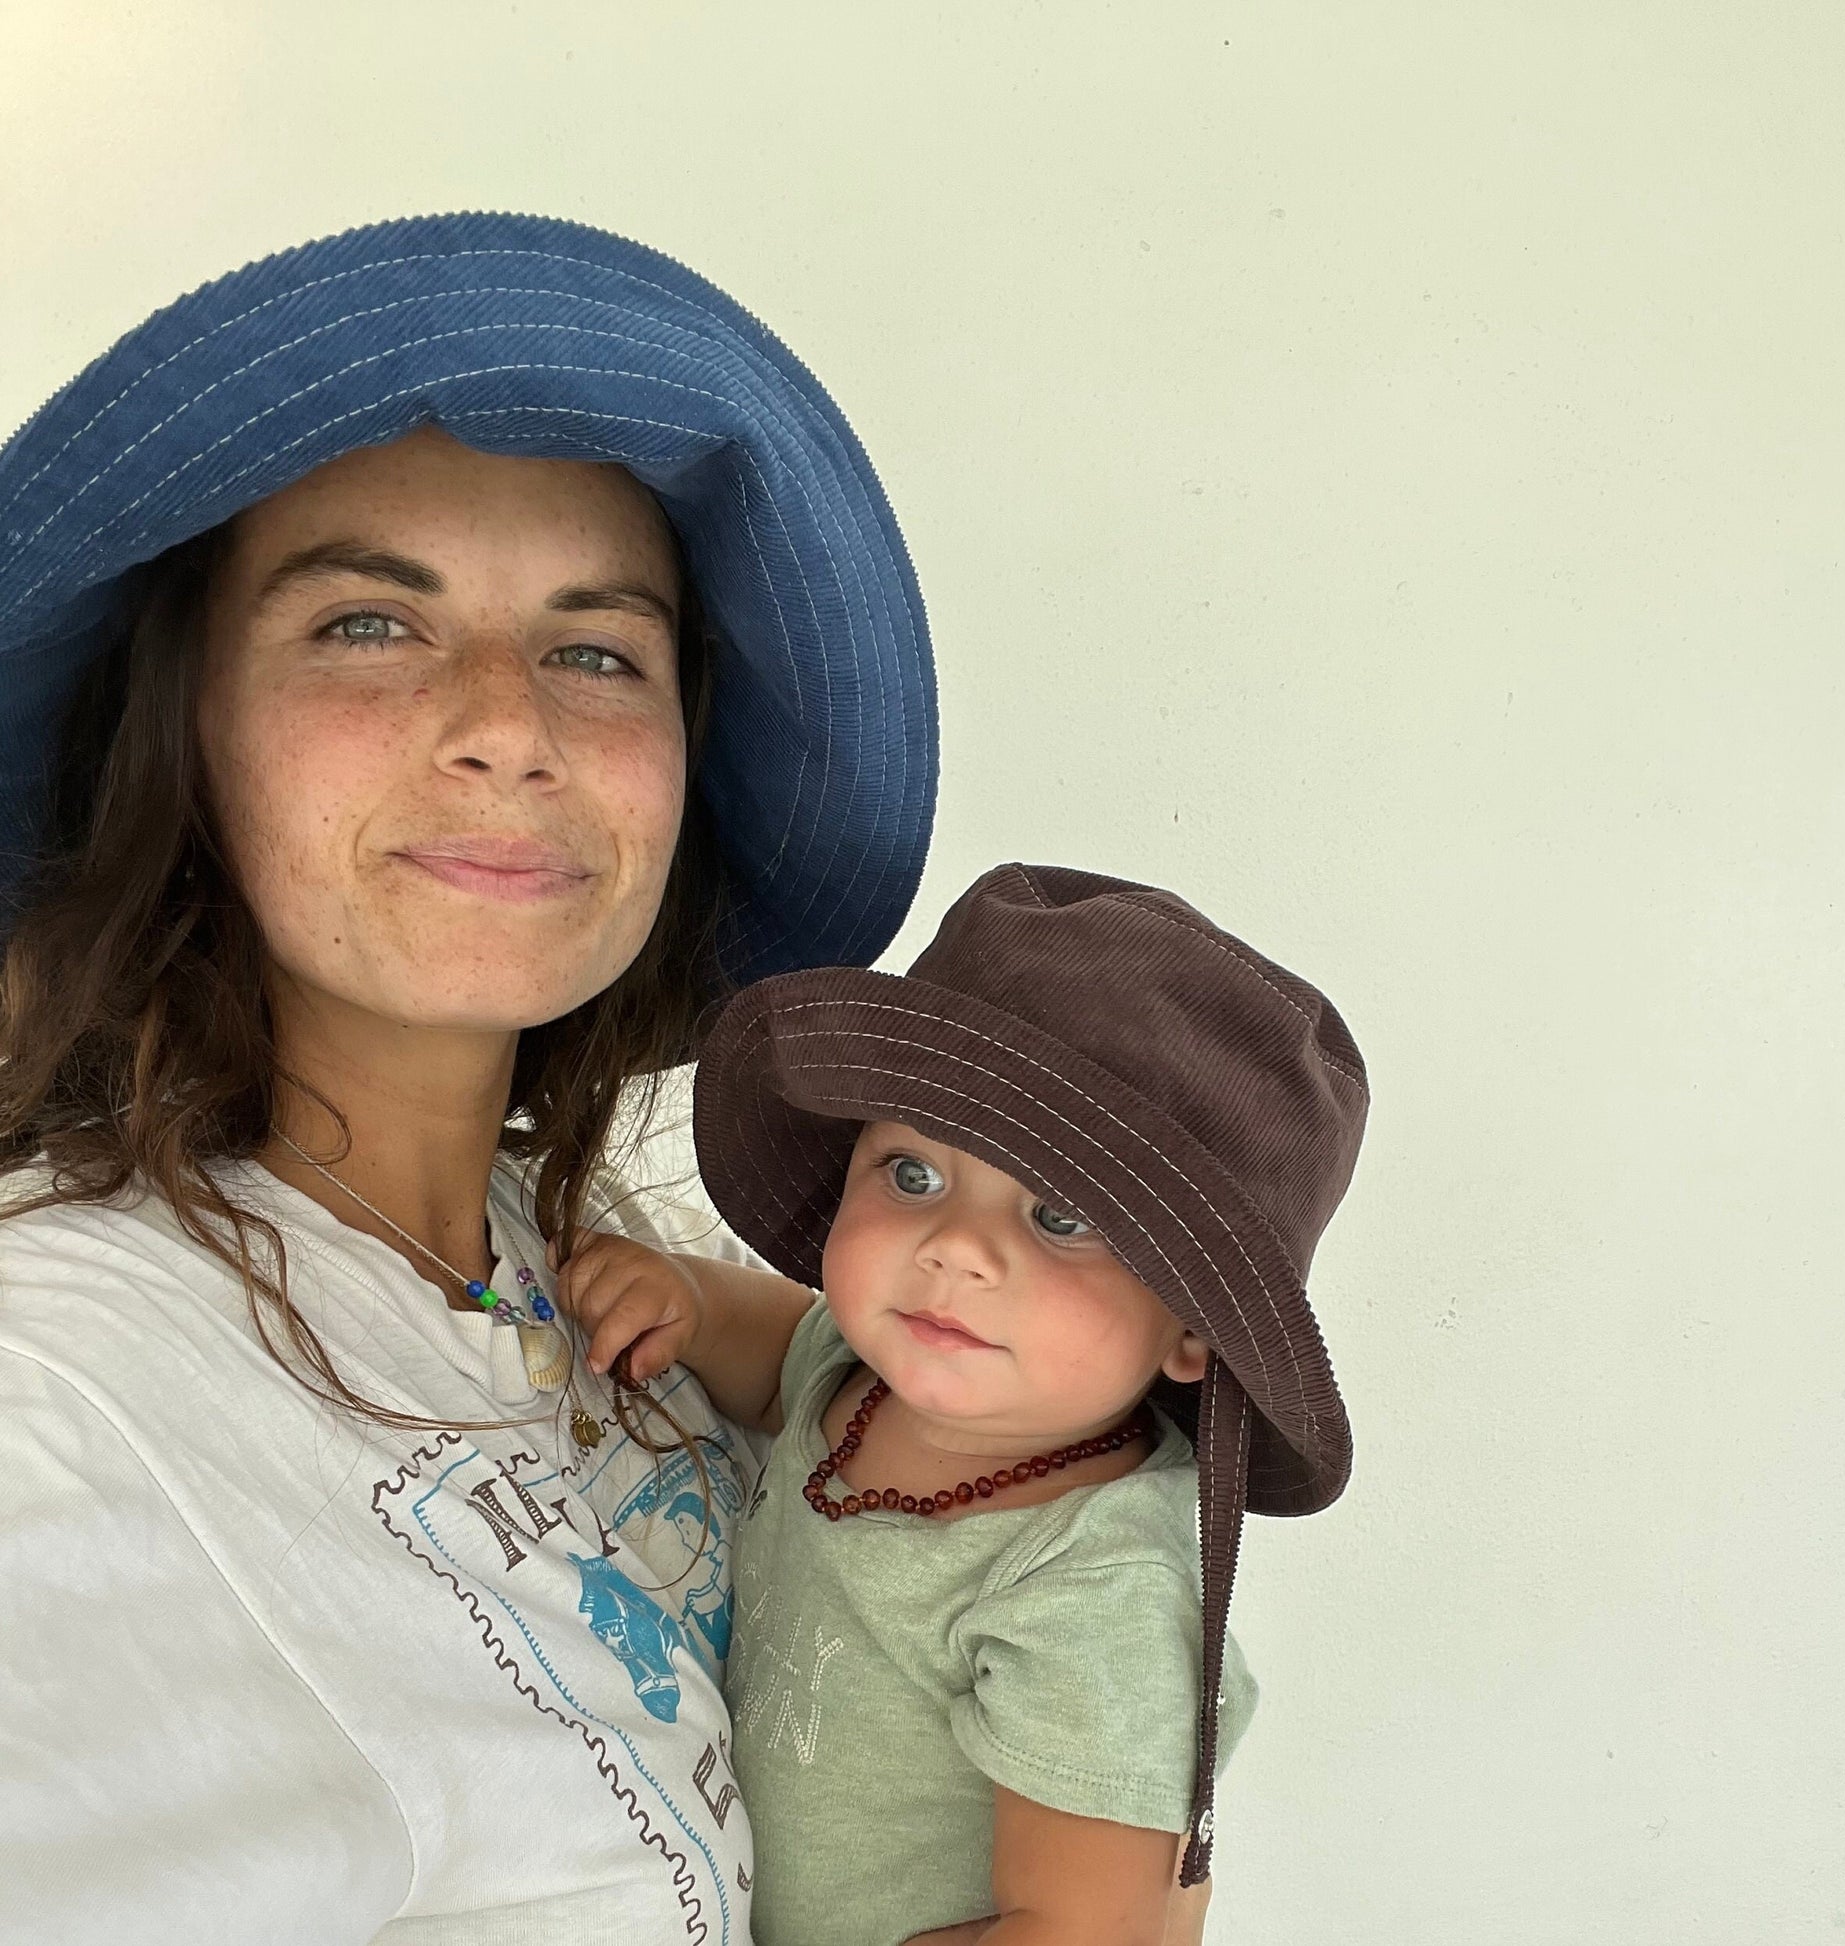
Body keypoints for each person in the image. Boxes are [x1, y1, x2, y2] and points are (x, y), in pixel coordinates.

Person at [0, 211, 934, 1946]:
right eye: (368, 623)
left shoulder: (584, 1252)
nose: (507, 721)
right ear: (181, 728)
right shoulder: (62, 1393)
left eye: (597, 650)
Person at [554, 862, 1370, 1946]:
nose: (955, 1248)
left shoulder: (1091, 1593)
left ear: (1192, 1327)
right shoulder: (858, 1371)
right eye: (913, 1173)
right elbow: (777, 1346)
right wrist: (690, 1301)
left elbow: (1079, 1930)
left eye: (1062, 1213)